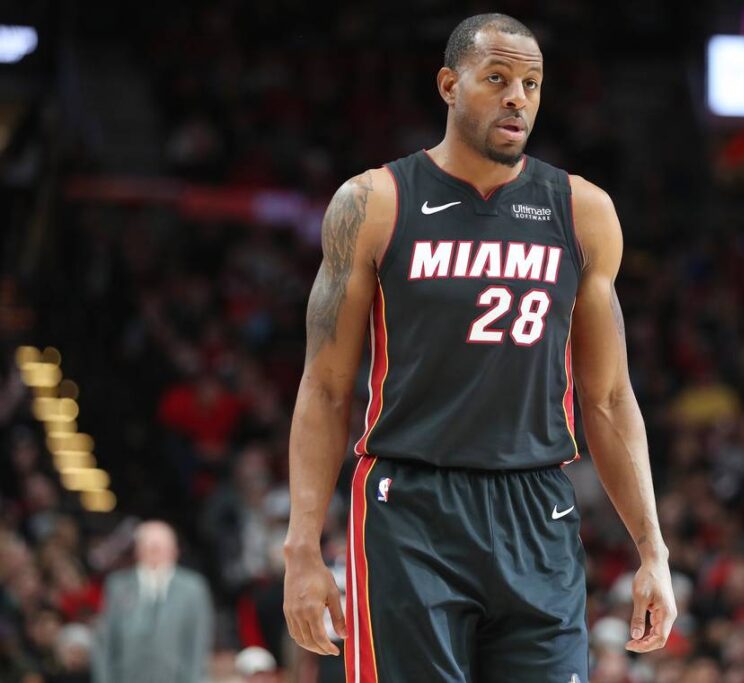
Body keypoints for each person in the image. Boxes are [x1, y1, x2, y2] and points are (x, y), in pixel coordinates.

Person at [283, 12, 676, 682]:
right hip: (411, 506)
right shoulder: (374, 202)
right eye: (496, 78)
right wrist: (302, 548)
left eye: (531, 84)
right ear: (449, 85)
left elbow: (609, 397)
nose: (517, 97)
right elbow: (324, 387)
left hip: (537, 505)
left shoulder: (582, 211)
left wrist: (653, 549)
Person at [92, 520, 214, 683]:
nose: (155, 553)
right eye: (149, 547)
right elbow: (105, 642)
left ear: (174, 551)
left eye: (160, 548)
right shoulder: (118, 586)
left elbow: (198, 644)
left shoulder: (193, 588)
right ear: (138, 551)